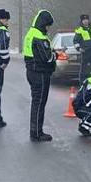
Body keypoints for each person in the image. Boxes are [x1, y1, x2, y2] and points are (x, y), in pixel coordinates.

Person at [22, 9, 57, 142]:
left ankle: (35, 131)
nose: (48, 28)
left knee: (36, 102)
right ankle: (37, 133)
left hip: (32, 71)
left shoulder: (30, 33)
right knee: (39, 103)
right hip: (40, 73)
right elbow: (47, 57)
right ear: (43, 23)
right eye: (48, 25)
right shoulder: (39, 36)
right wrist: (56, 54)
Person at [73, 14, 91, 83]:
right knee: (83, 68)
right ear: (81, 21)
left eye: (86, 19)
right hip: (85, 51)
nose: (85, 21)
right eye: (84, 20)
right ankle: (82, 82)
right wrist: (79, 48)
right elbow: (75, 41)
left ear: (88, 20)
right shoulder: (79, 30)